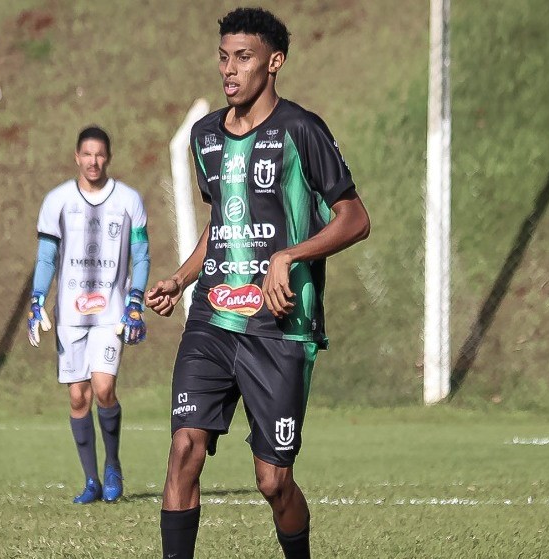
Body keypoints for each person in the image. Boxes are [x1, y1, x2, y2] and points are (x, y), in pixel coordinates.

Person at [146, 7, 370, 558]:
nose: (230, 69)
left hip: (279, 326)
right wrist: (181, 277)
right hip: (213, 320)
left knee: (273, 482)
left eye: (243, 58)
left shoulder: (301, 130)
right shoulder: (205, 137)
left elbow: (354, 218)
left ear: (274, 62)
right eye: (224, 58)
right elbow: (225, 221)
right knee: (183, 451)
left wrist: (288, 257)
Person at [28, 125, 150, 504]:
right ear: (77, 157)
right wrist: (36, 300)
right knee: (79, 398)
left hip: (111, 314)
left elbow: (141, 255)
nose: (93, 161)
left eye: (100, 154)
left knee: (103, 389)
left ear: (108, 158)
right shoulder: (57, 201)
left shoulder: (129, 200)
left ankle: (113, 465)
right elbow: (47, 257)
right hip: (70, 315)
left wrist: (135, 301)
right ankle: (91, 481)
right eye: (87, 154)